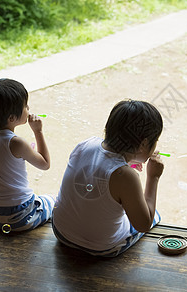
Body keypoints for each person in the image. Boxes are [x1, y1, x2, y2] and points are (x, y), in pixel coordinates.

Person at [52, 99, 164, 257]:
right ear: (144, 144)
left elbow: (100, 170)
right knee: (153, 214)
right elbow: (143, 224)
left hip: (61, 232)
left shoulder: (85, 144)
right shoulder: (126, 176)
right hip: (100, 247)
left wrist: (127, 163)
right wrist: (153, 177)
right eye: (155, 141)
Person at [0, 78, 54, 233]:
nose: (28, 108)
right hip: (19, 216)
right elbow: (45, 164)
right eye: (25, 106)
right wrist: (38, 131)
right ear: (11, 118)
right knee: (53, 200)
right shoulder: (17, 143)